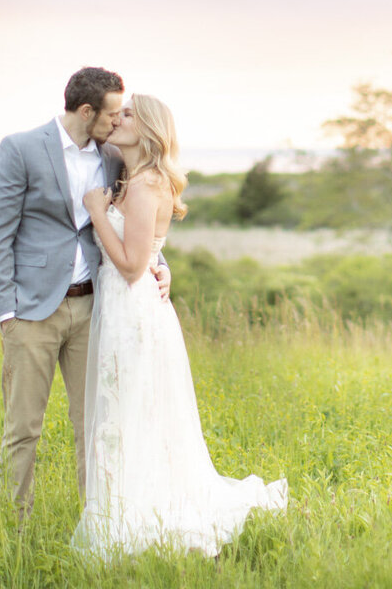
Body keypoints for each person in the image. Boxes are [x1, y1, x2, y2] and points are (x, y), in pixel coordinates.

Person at [72, 94, 287, 558]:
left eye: (127, 114)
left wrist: (95, 212)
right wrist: (160, 260)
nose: (117, 118)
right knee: (126, 414)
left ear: (147, 129)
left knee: (133, 414)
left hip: (135, 314)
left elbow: (131, 266)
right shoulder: (129, 175)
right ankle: (120, 505)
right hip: (123, 310)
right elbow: (146, 252)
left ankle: (135, 517)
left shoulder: (149, 184)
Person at [0, 67, 171, 519]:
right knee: (24, 425)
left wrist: (160, 266)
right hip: (32, 312)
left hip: (94, 309)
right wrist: (6, 310)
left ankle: (97, 525)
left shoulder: (112, 157)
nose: (118, 121)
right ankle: (16, 525)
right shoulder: (21, 148)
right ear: (86, 111)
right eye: (112, 114)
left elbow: (140, 220)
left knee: (94, 424)